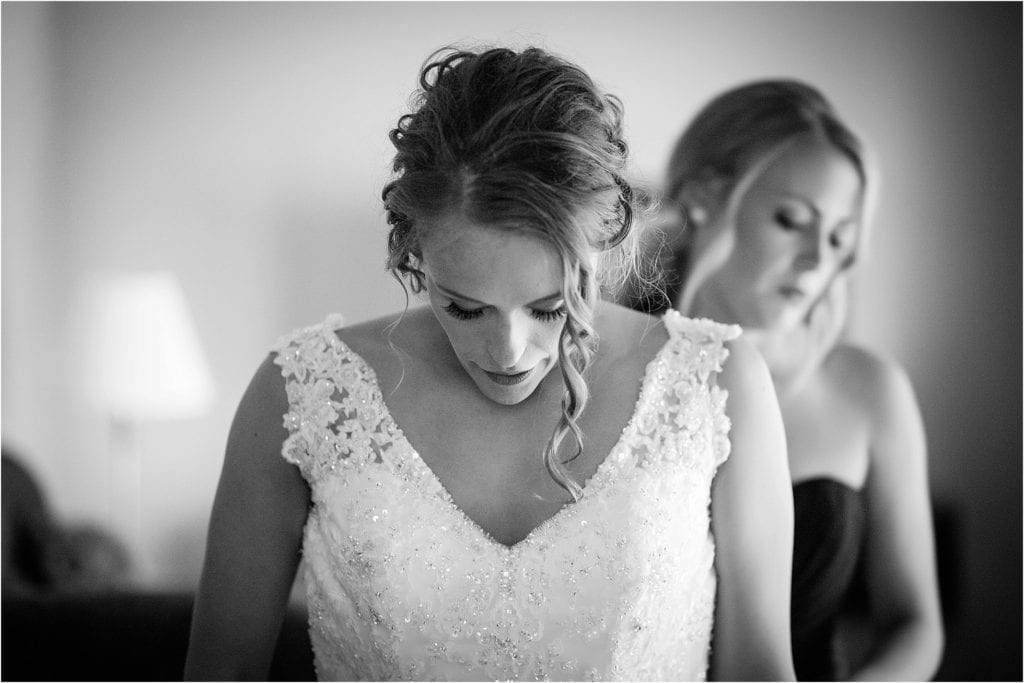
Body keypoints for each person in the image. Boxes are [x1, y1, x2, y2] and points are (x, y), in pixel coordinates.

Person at [184, 47, 795, 681]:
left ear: (605, 245)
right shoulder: (303, 393)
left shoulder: (716, 383)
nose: (508, 352)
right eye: (465, 308)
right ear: (412, 250)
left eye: (551, 307)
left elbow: (761, 671)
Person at [625, 80, 944, 680]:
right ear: (700, 198)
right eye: (792, 220)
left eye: (839, 237)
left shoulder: (867, 391)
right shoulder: (611, 371)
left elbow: (914, 623)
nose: (817, 260)